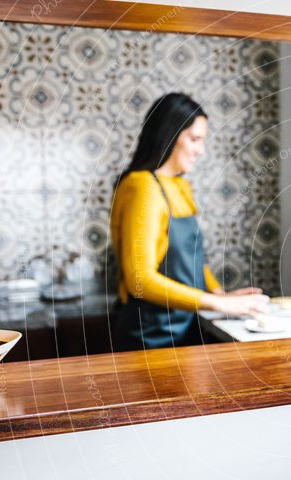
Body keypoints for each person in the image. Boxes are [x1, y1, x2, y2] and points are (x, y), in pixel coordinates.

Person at [111, 93, 269, 351]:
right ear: (169, 135)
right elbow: (139, 281)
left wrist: (219, 294)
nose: (201, 150)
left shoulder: (180, 185)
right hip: (150, 335)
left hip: (186, 327)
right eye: (195, 139)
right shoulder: (142, 187)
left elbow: (192, 259)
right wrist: (217, 303)